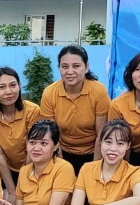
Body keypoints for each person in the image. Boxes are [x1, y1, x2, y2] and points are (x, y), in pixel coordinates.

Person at [39, 45, 110, 174]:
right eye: (65, 67)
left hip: (94, 152)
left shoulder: (99, 91)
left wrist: (94, 169)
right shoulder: (49, 93)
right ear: (59, 68)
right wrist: (63, 169)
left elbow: (101, 135)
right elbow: (52, 137)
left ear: (86, 67)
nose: (70, 71)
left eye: (76, 66)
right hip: (62, 153)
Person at [0, 66, 41, 199]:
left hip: (33, 168)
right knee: (8, 200)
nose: (8, 91)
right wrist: (11, 190)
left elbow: (32, 151)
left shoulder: (33, 111)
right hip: (8, 170)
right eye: (2, 87)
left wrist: (21, 186)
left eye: (13, 85)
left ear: (19, 86)